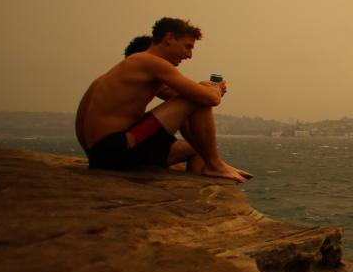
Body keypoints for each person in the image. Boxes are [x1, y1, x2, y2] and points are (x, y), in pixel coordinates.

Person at [75, 17, 251, 183]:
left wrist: (205, 88)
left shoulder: (124, 70)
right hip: (118, 149)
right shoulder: (150, 62)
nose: (189, 55)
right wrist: (215, 89)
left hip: (102, 154)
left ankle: (209, 168)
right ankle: (215, 165)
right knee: (197, 99)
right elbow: (208, 99)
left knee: (197, 146)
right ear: (169, 38)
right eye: (187, 47)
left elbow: (178, 97)